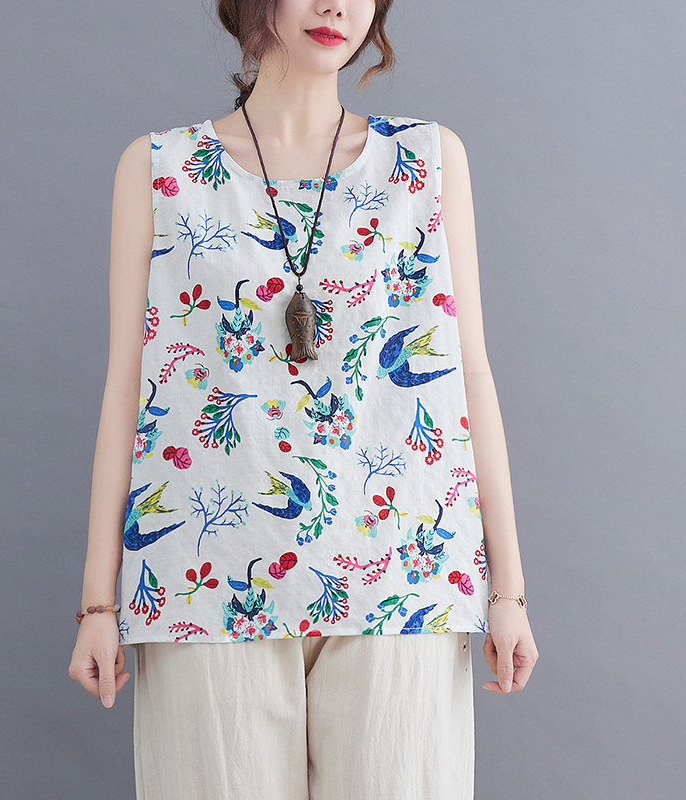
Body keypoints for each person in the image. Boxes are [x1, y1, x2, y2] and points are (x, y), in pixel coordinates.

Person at [68, 1, 539, 797]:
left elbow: (471, 373)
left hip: (403, 579)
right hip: (206, 589)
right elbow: (125, 387)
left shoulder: (427, 161)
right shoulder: (159, 169)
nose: (336, 6)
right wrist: (96, 605)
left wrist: (509, 590)